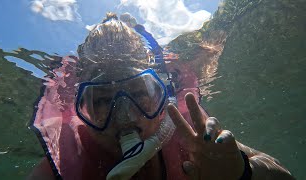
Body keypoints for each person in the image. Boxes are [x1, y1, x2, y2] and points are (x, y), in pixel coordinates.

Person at [28, 13, 295, 180]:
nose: (125, 118)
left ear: (163, 95)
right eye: (101, 100)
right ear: (79, 109)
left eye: (139, 93)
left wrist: (242, 174)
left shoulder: (192, 137)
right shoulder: (63, 164)